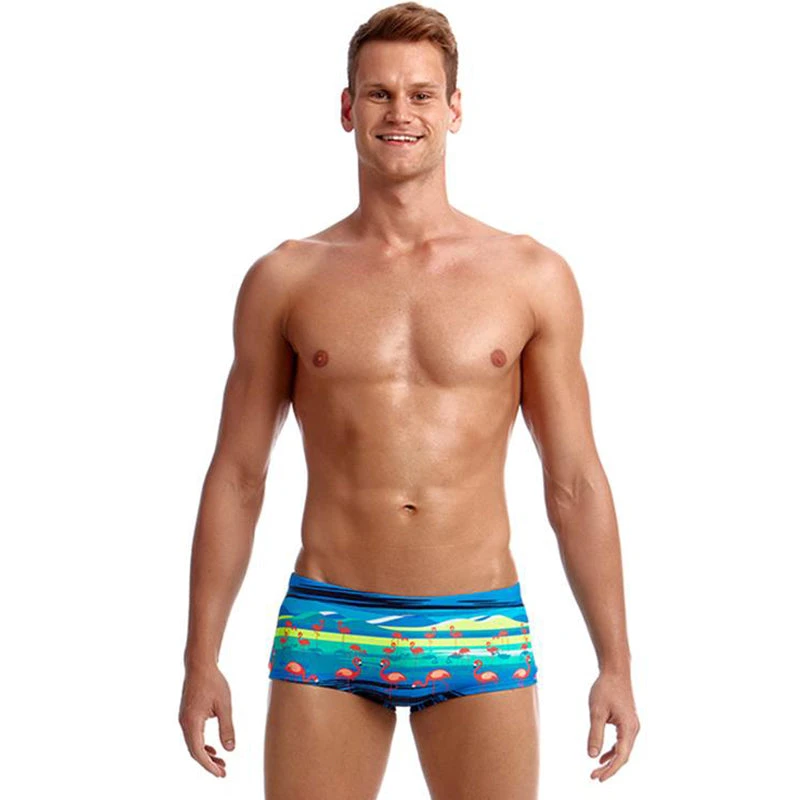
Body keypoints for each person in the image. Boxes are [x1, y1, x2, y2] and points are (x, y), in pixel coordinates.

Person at [178, 3, 640, 797]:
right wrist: (200, 659)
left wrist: (616, 663)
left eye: (422, 94)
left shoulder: (530, 276)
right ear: (348, 107)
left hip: (477, 624)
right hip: (329, 622)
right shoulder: (286, 278)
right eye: (380, 93)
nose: (401, 112)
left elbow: (574, 482)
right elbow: (238, 476)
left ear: (455, 108)